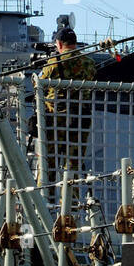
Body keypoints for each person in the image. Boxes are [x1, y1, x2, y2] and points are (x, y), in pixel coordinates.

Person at [37, 27, 96, 181]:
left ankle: (44, 202)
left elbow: (40, 84)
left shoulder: (54, 62)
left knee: (47, 165)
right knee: (73, 167)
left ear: (60, 44)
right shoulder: (89, 62)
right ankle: (71, 203)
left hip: (56, 118)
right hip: (80, 117)